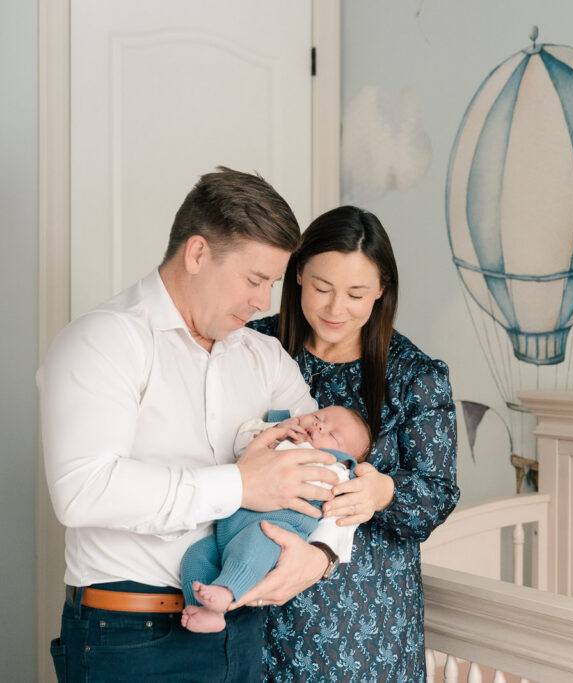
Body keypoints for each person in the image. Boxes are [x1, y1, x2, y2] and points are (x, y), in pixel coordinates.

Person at [38, 167, 348, 682]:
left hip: (240, 631)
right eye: (254, 280)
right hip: (128, 639)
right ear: (198, 253)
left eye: (271, 284)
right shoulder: (104, 341)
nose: (263, 303)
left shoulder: (265, 357)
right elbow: (83, 491)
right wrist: (241, 484)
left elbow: (327, 469)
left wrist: (322, 552)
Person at [248, 205, 460, 682]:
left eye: (356, 293)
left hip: (363, 625)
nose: (334, 308)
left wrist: (384, 493)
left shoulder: (414, 377)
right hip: (250, 595)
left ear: (382, 289)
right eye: (322, 288)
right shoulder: (252, 349)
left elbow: (438, 494)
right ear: (297, 272)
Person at [181, 406, 372, 633]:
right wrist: (276, 430)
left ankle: (227, 592)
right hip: (226, 529)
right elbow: (240, 441)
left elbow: (345, 505)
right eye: (317, 417)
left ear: (346, 460)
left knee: (256, 542)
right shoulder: (279, 432)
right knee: (195, 556)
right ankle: (202, 610)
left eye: (333, 435)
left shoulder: (335, 470)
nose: (320, 426)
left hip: (272, 532)